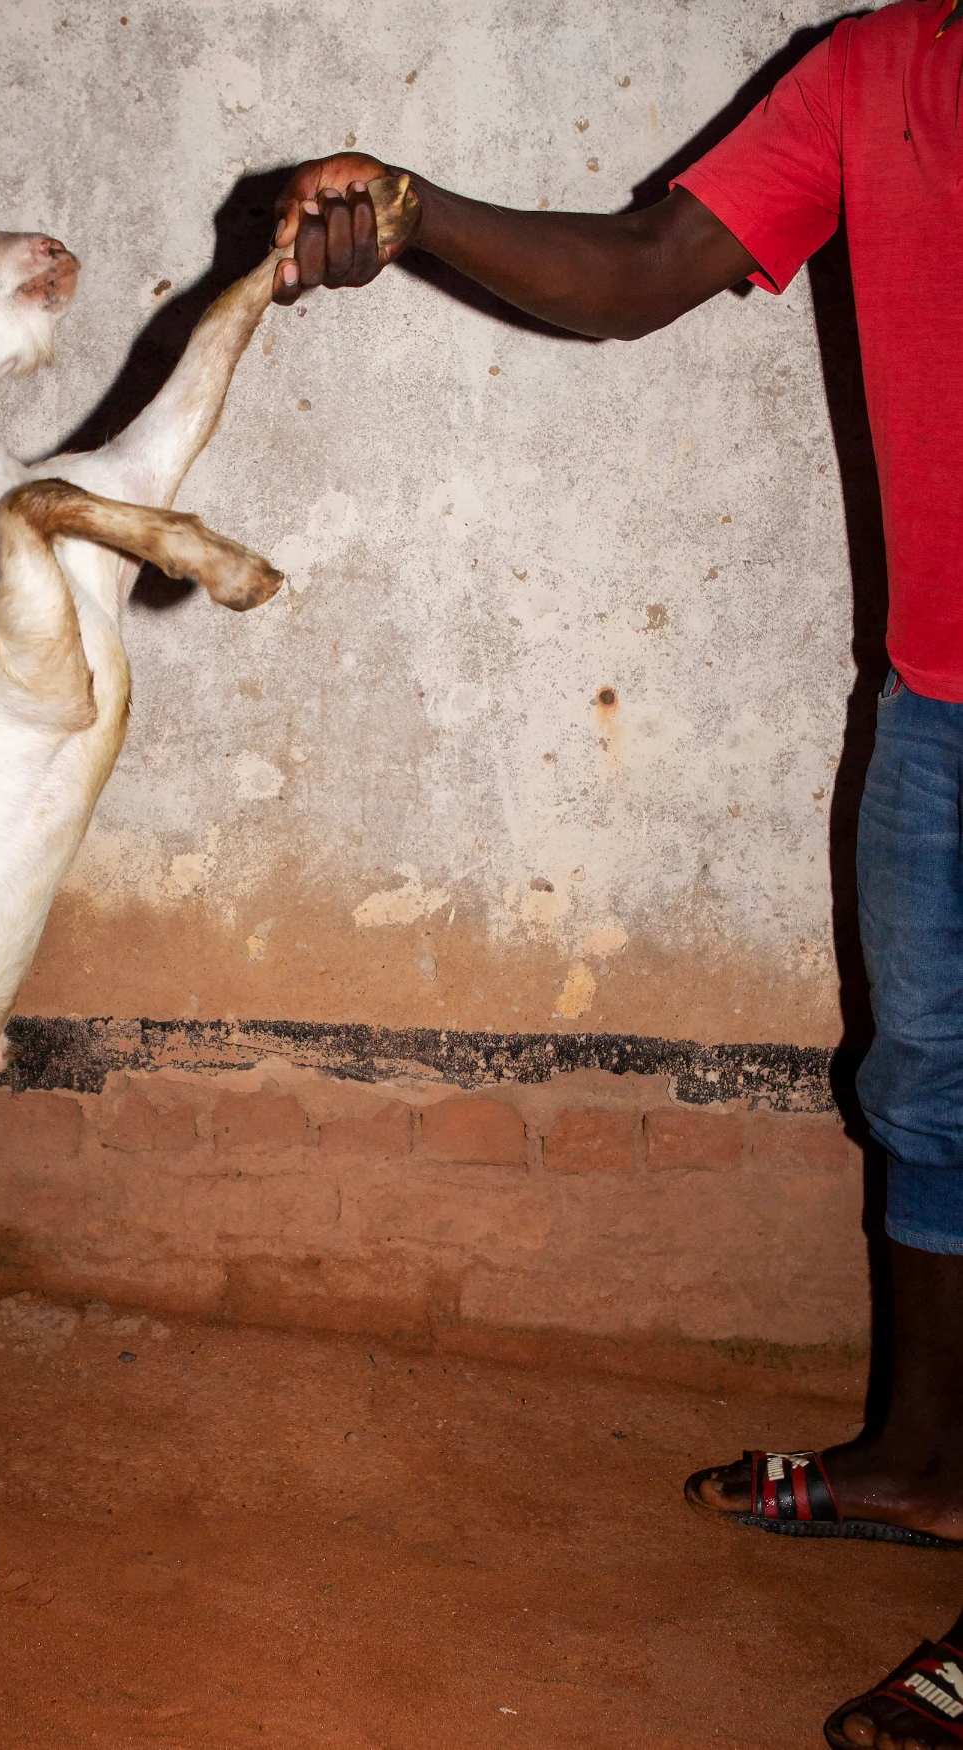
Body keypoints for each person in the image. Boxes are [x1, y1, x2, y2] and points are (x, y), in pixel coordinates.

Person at [270, 3, 963, 1745]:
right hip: (945, 695)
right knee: (931, 1083)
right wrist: (416, 209)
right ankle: (924, 1461)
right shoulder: (878, 70)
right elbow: (645, 262)